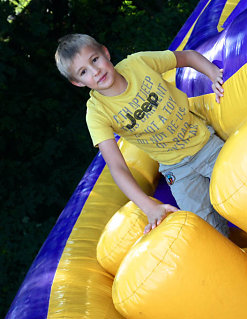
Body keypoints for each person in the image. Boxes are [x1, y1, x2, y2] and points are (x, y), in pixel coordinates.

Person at [55, 34, 229, 236]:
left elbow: (187, 56)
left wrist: (213, 72)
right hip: (177, 170)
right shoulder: (97, 113)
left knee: (243, 188)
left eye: (95, 60)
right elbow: (117, 166)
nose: (96, 71)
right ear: (77, 82)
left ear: (105, 52)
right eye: (84, 72)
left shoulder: (138, 64)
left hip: (204, 143)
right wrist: (149, 207)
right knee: (209, 232)